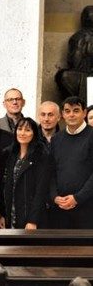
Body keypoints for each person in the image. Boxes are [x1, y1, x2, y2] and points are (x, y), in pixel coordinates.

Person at [49, 96, 93, 229]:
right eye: (67, 111)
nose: (71, 115)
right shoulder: (56, 139)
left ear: (84, 113)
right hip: (60, 209)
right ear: (62, 114)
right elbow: (51, 171)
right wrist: (54, 196)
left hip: (88, 208)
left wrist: (78, 198)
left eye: (76, 110)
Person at [0, 117, 52, 229]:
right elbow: (3, 186)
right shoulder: (9, 154)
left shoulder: (41, 156)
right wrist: (3, 214)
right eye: (20, 129)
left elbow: (41, 191)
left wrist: (33, 220)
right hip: (11, 213)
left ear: (34, 133)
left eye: (27, 130)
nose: (22, 133)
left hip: (30, 217)